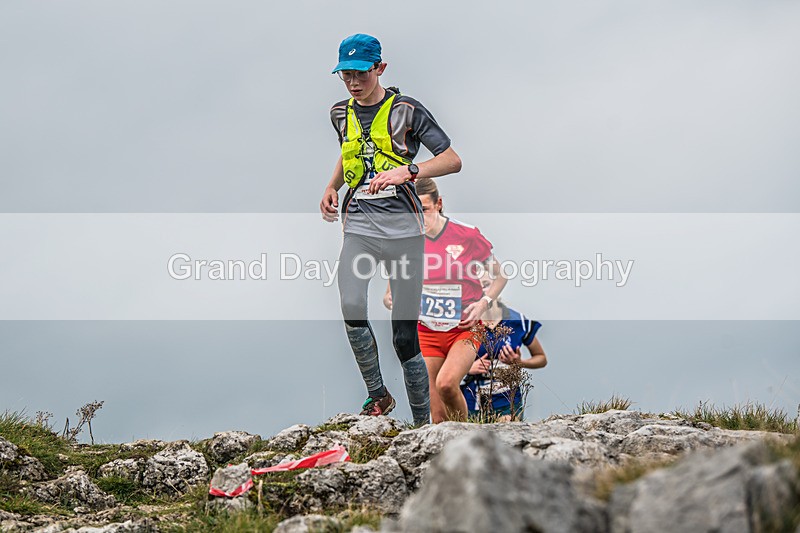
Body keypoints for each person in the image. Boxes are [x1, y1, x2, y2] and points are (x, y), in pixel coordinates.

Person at [319, 34, 462, 426]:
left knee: (404, 339)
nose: (352, 81)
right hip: (360, 222)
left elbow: (452, 160)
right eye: (345, 74)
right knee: (350, 304)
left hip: (403, 230)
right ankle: (378, 394)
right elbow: (350, 147)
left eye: (361, 73)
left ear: (380, 68)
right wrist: (331, 186)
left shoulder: (408, 111)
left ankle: (420, 427)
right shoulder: (338, 112)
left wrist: (408, 170)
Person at [384, 178, 507, 423]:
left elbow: (500, 276)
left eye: (425, 209)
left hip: (464, 329)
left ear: (438, 204)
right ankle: (451, 457)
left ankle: (468, 440)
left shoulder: (467, 235)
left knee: (448, 384)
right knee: (438, 418)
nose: (420, 217)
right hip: (427, 332)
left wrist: (483, 303)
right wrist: (392, 299)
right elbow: (391, 291)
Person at [461, 274, 547, 421]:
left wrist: (519, 363)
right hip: (471, 401)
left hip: (507, 400)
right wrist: (466, 368)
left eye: (487, 284)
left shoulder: (517, 321)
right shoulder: (465, 322)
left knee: (508, 438)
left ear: (497, 287)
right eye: (477, 285)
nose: (482, 289)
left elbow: (541, 358)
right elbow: (443, 362)